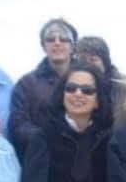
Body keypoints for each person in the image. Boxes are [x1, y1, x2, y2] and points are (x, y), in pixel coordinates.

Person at [9, 17, 78, 157]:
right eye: (51, 39)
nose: (57, 43)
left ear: (73, 46)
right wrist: (48, 138)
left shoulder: (88, 81)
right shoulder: (26, 84)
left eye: (64, 39)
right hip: (42, 163)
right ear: (43, 46)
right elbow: (18, 126)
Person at [76, 35, 126, 129]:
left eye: (93, 59)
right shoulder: (72, 88)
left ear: (105, 61)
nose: (88, 65)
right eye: (83, 60)